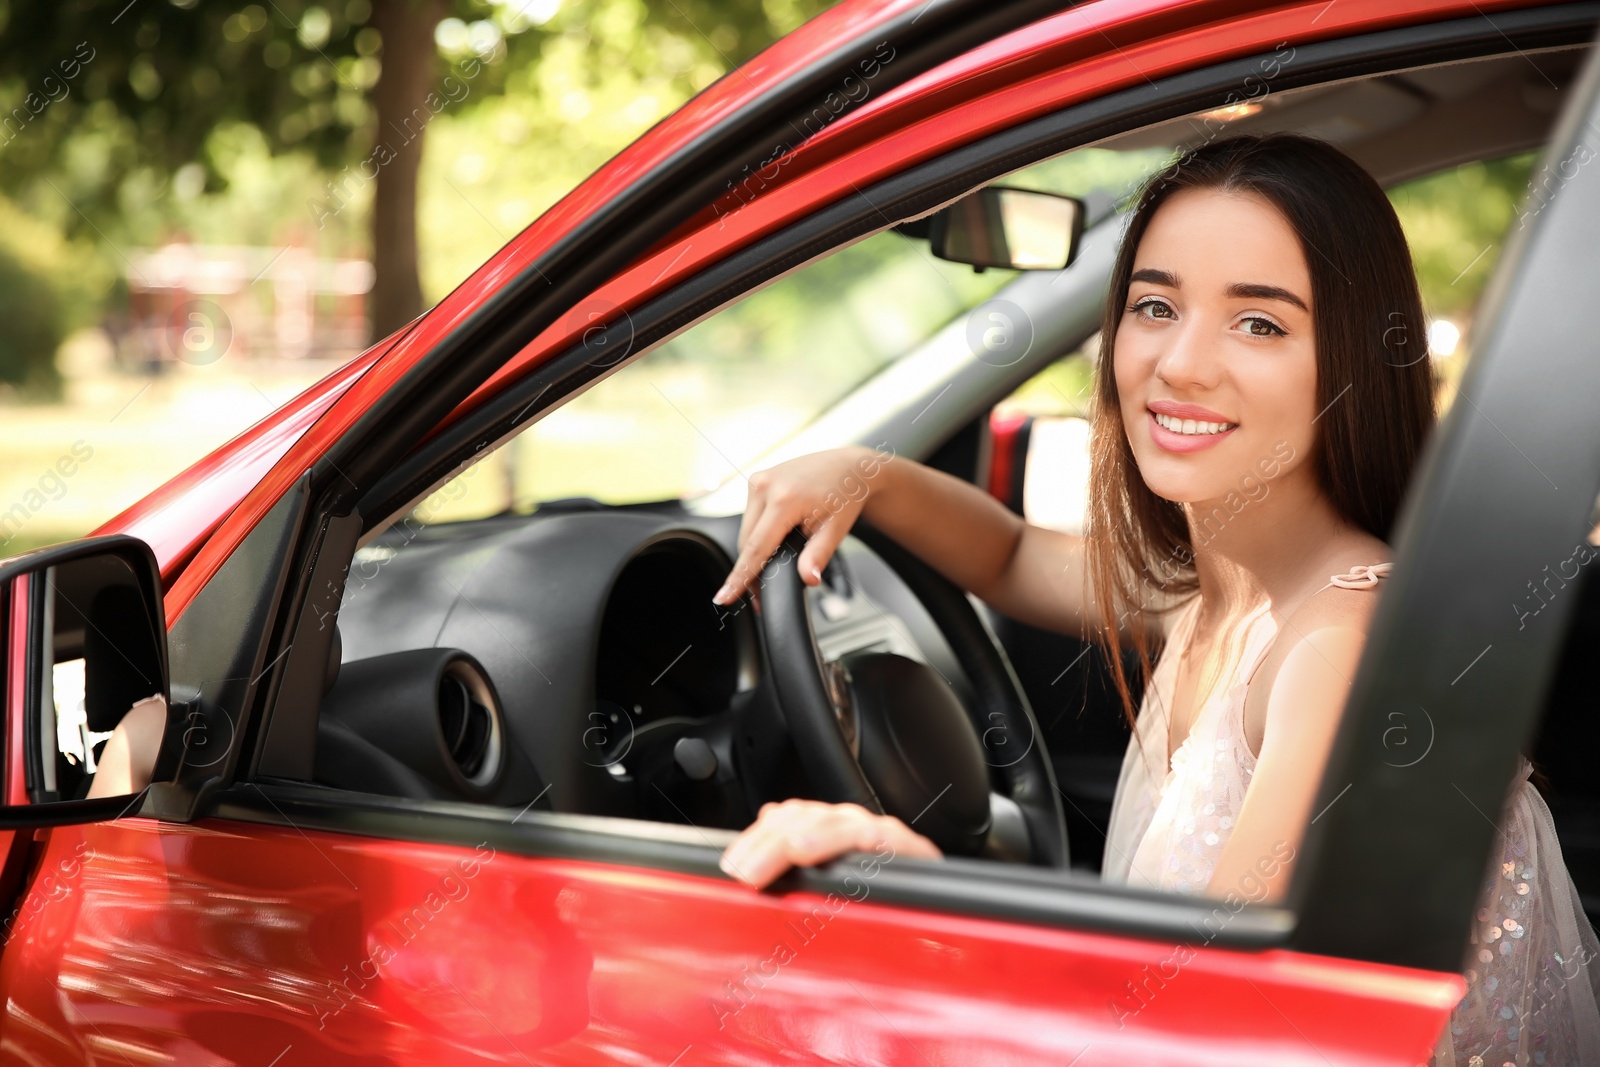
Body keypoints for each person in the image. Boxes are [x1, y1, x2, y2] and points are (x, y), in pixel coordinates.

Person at [710, 134, 1600, 1063]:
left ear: (1352, 364)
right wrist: (867, 473)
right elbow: (1010, 554)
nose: (1179, 362)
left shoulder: (1340, 647)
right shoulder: (1216, 591)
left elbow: (1207, 1022)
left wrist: (922, 888)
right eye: (1155, 304)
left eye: (1258, 323)